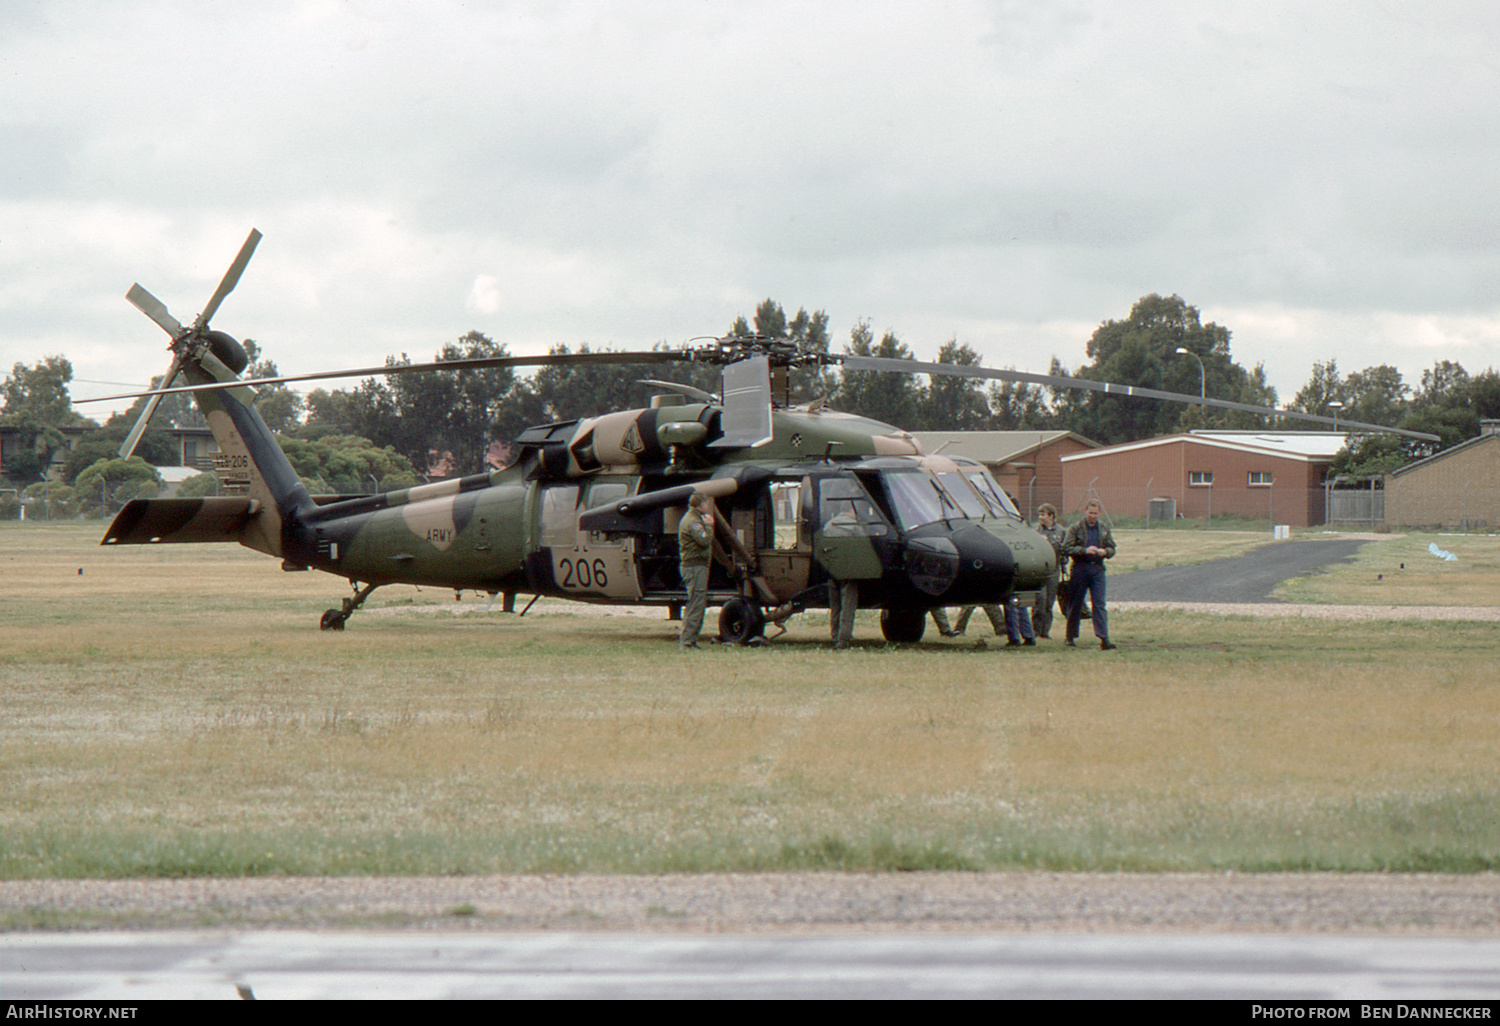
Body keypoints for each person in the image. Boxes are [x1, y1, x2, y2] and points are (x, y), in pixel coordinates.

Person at [1063, 499, 1116, 650]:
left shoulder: (1104, 528)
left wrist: (1105, 552)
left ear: (1099, 513)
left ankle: (1104, 638)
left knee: (1099, 604)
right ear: (1085, 511)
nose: (1092, 516)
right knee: (1076, 604)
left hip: (1097, 569)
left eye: (1095, 513)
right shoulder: (1076, 528)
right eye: (1090, 512)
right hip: (1080, 568)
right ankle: (1070, 636)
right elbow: (1066, 548)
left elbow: (1112, 548)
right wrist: (1084, 550)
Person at [677, 491, 714, 650]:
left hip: (696, 566)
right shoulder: (694, 521)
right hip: (694, 567)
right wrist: (710, 525)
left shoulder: (694, 518)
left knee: (698, 602)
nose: (708, 505)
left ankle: (691, 640)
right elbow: (704, 540)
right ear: (700, 504)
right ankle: (686, 642)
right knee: (695, 603)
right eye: (706, 502)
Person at [1032, 503, 1067, 639]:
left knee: (1049, 602)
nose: (1041, 517)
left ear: (1051, 516)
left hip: (1054, 570)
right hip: (1040, 571)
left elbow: (1065, 549)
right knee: (1039, 601)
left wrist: (1064, 563)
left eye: (1043, 514)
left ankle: (1045, 632)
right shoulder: (1036, 531)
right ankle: (1035, 630)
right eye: (1040, 514)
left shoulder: (1061, 531)